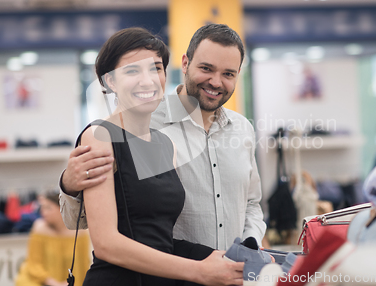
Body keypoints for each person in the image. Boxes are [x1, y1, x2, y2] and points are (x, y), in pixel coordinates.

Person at [60, 24, 266, 251]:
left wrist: (251, 243)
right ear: (185, 64)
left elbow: (251, 204)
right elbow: (80, 221)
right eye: (206, 68)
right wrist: (70, 186)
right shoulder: (145, 125)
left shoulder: (242, 129)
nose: (216, 82)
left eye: (228, 74)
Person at [15, 189, 90, 286]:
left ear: (61, 209)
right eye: (42, 208)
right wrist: (55, 284)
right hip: (42, 281)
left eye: (48, 208)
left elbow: (83, 266)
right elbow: (34, 264)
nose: (43, 212)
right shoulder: (39, 228)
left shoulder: (80, 232)